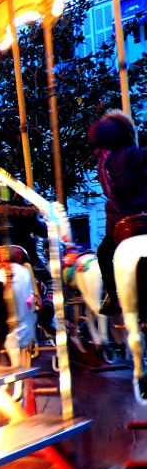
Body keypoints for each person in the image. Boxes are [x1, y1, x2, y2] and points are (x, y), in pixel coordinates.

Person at [88, 110, 147, 315]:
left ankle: (114, 298)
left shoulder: (108, 161)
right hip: (139, 214)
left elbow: (111, 194)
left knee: (104, 254)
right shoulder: (131, 153)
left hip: (123, 219)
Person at [0, 193, 55, 335]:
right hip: (25, 254)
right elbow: (44, 233)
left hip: (2, 254)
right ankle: (46, 317)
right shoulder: (28, 212)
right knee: (51, 282)